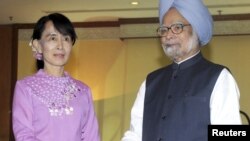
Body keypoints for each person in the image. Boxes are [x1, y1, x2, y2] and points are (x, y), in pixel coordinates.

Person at [121, 0, 242, 141]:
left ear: (196, 30)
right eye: (164, 29)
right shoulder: (150, 82)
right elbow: (135, 134)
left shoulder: (219, 78)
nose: (168, 35)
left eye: (177, 27)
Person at [12, 13, 100, 141]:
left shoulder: (83, 91)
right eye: (53, 38)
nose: (60, 45)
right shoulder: (25, 88)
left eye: (66, 39)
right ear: (37, 45)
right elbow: (24, 136)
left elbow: (92, 137)